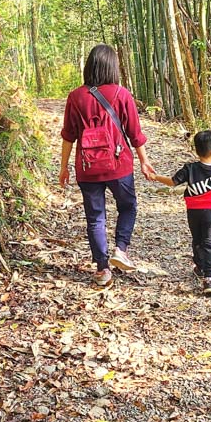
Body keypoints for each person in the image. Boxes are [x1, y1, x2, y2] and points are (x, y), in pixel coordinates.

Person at [60, 44, 156, 286]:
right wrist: (144, 161)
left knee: (95, 218)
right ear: (113, 67)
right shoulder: (121, 94)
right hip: (118, 164)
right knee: (128, 206)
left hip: (88, 166)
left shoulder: (75, 96)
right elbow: (135, 133)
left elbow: (68, 135)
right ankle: (120, 249)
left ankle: (102, 269)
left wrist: (64, 167)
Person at [146, 130, 211, 297]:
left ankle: (200, 266)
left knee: (198, 239)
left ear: (196, 150)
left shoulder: (189, 169)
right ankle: (209, 276)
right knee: (209, 241)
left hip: (193, 211)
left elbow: (172, 182)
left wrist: (155, 177)